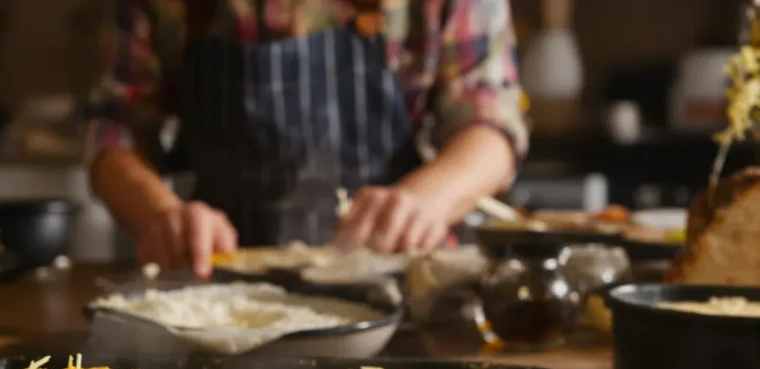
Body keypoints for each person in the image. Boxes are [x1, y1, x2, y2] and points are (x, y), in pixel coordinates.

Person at [85, 0, 528, 278]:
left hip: (410, 288)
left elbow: (491, 123)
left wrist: (428, 199)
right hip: (222, 294)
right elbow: (115, 128)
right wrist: (161, 216)